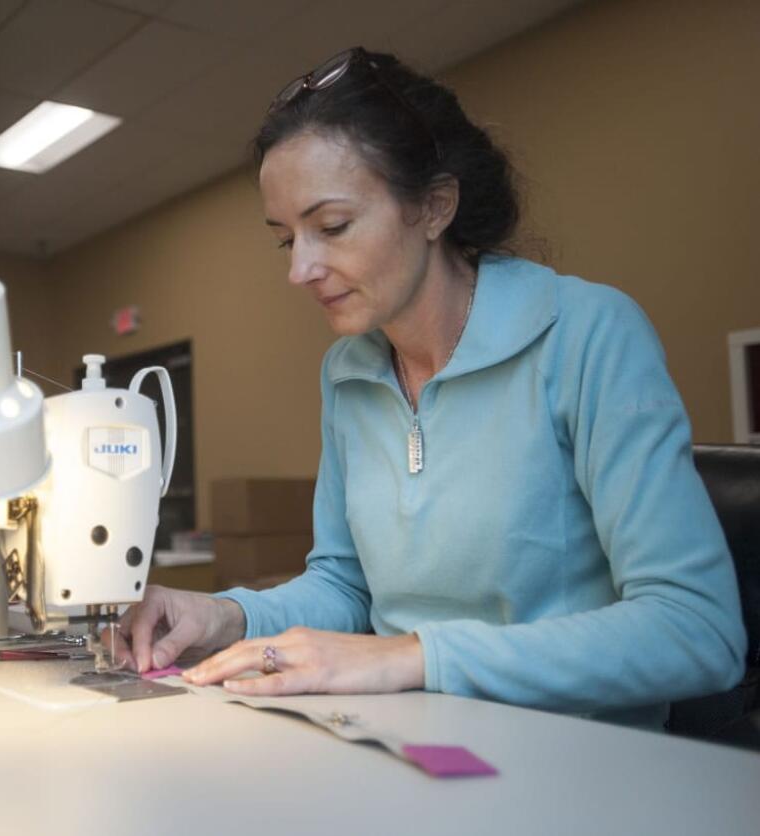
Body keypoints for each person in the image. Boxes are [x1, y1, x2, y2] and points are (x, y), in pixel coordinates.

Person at [112, 47, 746, 728]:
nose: (300, 269)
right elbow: (346, 585)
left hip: (571, 758)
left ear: (436, 206)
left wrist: (411, 657)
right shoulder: (348, 372)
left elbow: (696, 630)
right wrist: (224, 614)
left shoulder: (587, 334)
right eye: (285, 239)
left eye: (331, 227)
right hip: (403, 736)